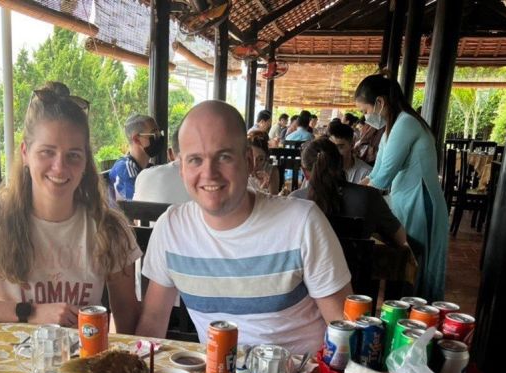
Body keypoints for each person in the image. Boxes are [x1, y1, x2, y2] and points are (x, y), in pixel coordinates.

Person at [135, 101, 352, 354]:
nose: (209, 173)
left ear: (249, 161)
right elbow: (151, 324)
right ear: (181, 168)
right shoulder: (171, 228)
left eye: (224, 156)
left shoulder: (302, 222)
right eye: (195, 160)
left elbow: (343, 330)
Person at [0, 82, 142, 333]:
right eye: (47, 152)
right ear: (25, 153)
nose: (59, 167)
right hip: (4, 362)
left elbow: (127, 317)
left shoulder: (109, 227)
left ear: (86, 161)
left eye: (73, 155)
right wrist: (31, 312)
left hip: (77, 364)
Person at [355, 73, 449, 301]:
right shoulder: (392, 127)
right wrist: (358, 187)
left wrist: (356, 193)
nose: (365, 117)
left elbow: (382, 178)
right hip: (405, 201)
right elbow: (375, 173)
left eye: (365, 111)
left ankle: (419, 319)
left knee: (417, 267)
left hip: (420, 202)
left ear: (380, 102)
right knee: (405, 264)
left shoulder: (406, 124)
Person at [289, 136, 407, 248]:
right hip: (356, 269)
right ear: (341, 164)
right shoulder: (369, 197)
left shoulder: (294, 200)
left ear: (304, 172)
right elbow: (401, 240)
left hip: (306, 269)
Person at [109, 114, 163, 200]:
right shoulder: (126, 169)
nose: (159, 137)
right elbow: (138, 207)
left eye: (159, 133)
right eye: (154, 133)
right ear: (137, 139)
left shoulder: (147, 168)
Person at [133, 126, 189, 204]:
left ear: (170, 153)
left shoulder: (143, 176)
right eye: (154, 134)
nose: (158, 137)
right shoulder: (204, 180)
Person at [247, 131, 281, 195]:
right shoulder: (238, 171)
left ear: (266, 158)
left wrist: (263, 187)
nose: (255, 164)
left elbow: (273, 201)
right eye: (250, 158)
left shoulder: (271, 171)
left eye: (260, 159)